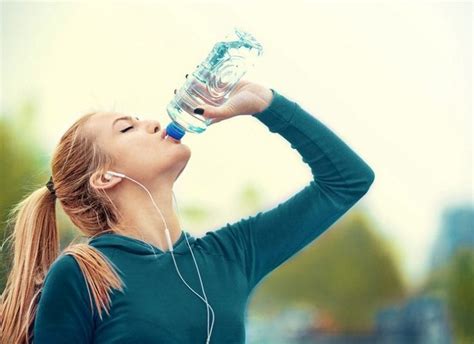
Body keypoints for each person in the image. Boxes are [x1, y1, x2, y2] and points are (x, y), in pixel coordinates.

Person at [0, 79, 375, 343]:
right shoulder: (83, 274)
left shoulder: (231, 255)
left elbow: (347, 180)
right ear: (105, 177)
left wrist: (263, 103)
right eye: (128, 128)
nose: (153, 123)